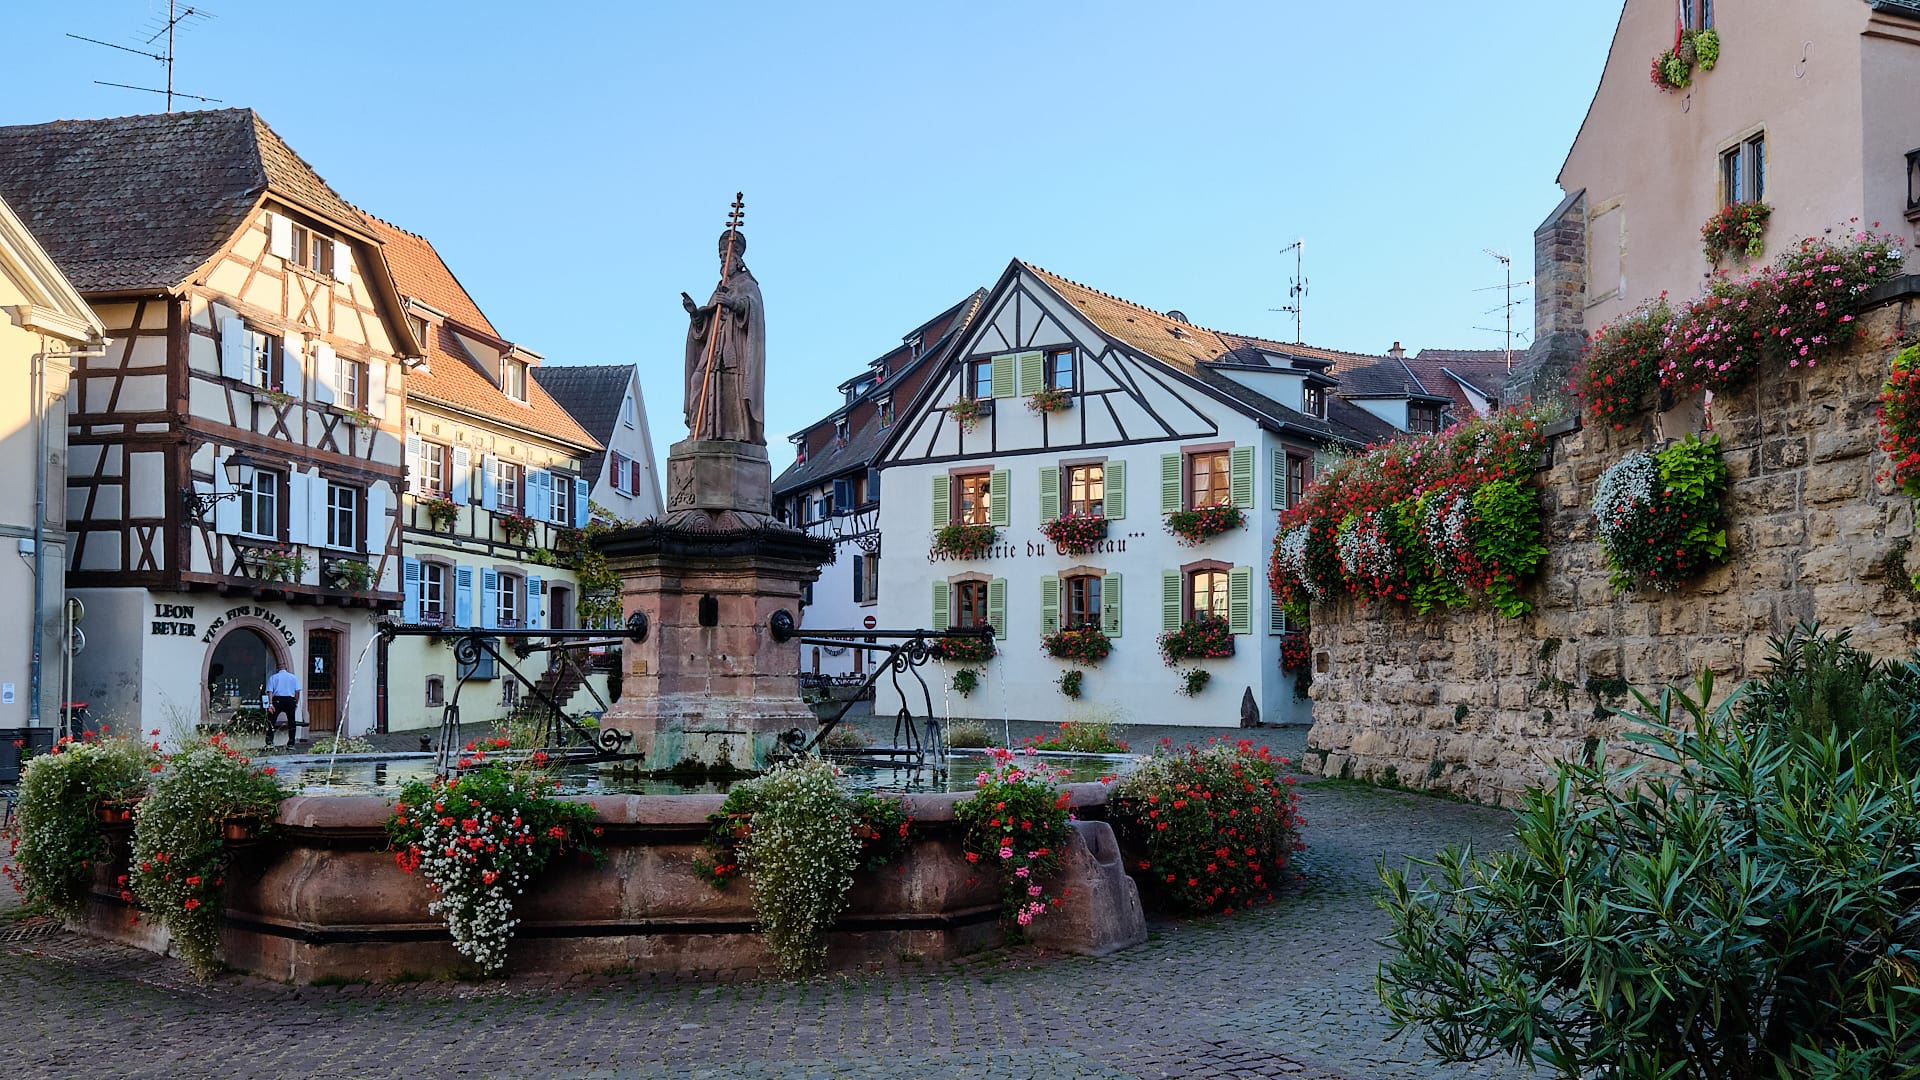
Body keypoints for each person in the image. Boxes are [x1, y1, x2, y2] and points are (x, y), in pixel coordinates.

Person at [681, 228, 766, 444]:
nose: (723, 261)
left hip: (735, 346)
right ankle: (699, 433)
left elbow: (753, 310)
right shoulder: (719, 288)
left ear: (737, 260)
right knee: (698, 380)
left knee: (733, 389)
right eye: (720, 257)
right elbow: (705, 327)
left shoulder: (748, 285)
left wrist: (733, 304)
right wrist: (695, 314)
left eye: (726, 256)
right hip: (712, 348)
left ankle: (739, 435)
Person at [265, 662, 302, 748]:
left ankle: (269, 742)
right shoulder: (293, 677)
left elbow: (270, 691)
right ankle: (291, 743)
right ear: (286, 668)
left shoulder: (273, 677)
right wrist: (295, 702)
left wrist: (270, 704)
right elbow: (297, 691)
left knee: (271, 721)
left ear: (277, 669)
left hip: (277, 700)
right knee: (292, 721)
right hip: (289, 700)